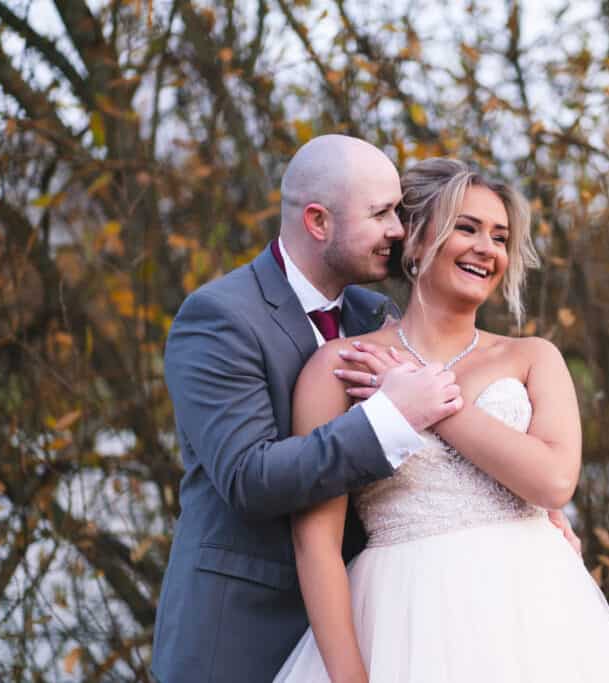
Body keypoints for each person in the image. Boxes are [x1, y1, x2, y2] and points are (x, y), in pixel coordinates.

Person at [274, 158, 609, 682]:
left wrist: (425, 401)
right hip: (402, 619)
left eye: (500, 237)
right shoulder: (341, 367)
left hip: (541, 619)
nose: (488, 249)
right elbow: (315, 542)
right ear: (413, 241)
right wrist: (349, 677)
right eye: (467, 228)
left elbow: (552, 481)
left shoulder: (533, 358)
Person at [152, 136, 467, 683]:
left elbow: (436, 436)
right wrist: (389, 419)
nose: (398, 229)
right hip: (244, 639)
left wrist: (529, 509)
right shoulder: (218, 319)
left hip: (367, 624)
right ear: (318, 222)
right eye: (381, 213)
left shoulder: (376, 314)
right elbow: (250, 478)